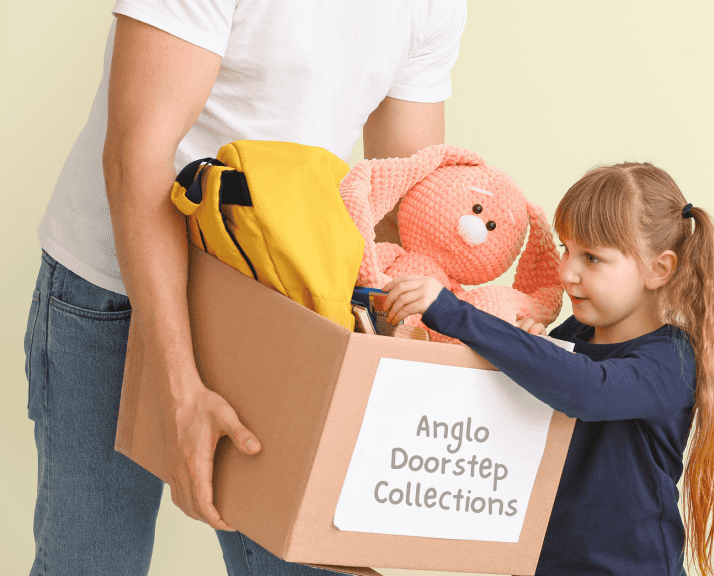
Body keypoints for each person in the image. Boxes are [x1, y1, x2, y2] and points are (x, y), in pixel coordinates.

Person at [24, 1, 466, 575]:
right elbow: (137, 159)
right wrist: (180, 389)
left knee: (310, 561)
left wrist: (459, 327)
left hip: (275, 303)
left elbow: (401, 195)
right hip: (114, 292)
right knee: (91, 566)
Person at [383, 162, 714, 575]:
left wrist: (453, 312)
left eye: (592, 258)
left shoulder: (672, 360)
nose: (567, 273)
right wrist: (533, 347)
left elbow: (586, 390)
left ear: (659, 269)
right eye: (567, 249)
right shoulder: (577, 332)